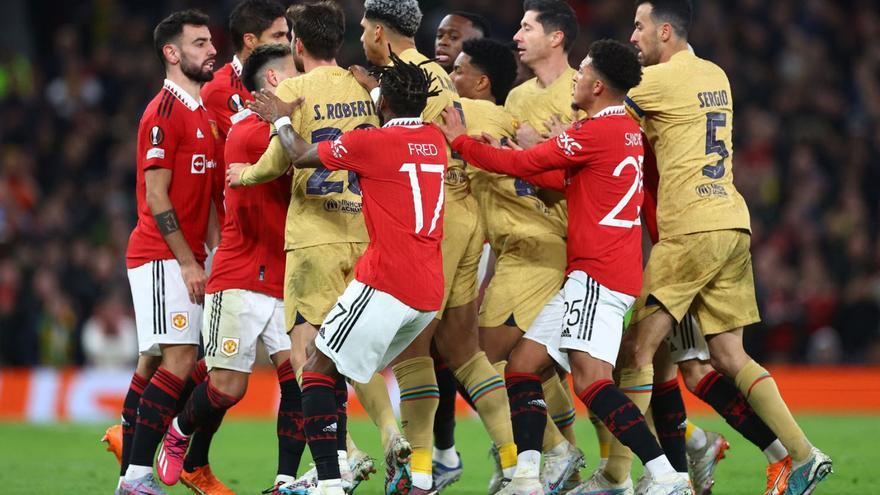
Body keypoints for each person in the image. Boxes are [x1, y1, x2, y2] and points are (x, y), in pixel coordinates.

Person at [439, 38, 693, 495]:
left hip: (599, 276)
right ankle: (528, 478)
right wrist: (534, 152)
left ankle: (665, 474)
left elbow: (523, 162)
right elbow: (557, 175)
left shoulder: (594, 131)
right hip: (600, 273)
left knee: (592, 382)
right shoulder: (625, 129)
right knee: (521, 366)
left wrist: (460, 141)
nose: (575, 77)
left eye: (583, 73)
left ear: (597, 86)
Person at [609, 1, 831, 495]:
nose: (633, 35)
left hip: (687, 232)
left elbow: (603, 115)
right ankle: (803, 453)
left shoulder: (659, 82)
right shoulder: (716, 74)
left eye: (640, 26)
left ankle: (618, 479)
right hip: (731, 223)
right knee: (729, 354)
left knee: (637, 352)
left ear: (664, 31)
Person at [230, 49, 447, 495]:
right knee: (345, 363)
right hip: (429, 292)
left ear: (384, 104)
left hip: (387, 280)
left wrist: (279, 118)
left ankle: (330, 480)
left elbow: (300, 152)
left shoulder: (373, 143)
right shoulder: (435, 139)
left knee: (315, 367)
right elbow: (397, 115)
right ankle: (400, 464)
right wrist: (375, 90)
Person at [356, 1, 517, 492]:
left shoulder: (403, 79)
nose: (361, 38)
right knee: (464, 351)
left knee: (410, 352)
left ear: (379, 33)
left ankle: (419, 473)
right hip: (464, 215)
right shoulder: (438, 76)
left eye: (364, 30)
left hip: (430, 221)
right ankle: (516, 465)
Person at [225, 2, 382, 493]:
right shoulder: (365, 87)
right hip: (362, 231)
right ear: (339, 42)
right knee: (351, 356)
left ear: (297, 44)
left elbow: (277, 162)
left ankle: (330, 474)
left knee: (307, 359)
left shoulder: (292, 89)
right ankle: (380, 441)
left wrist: (243, 176)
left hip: (314, 238)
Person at [153, 43, 302, 494]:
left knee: (298, 382)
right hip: (240, 275)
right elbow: (302, 158)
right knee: (227, 389)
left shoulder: (286, 128)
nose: (308, 80)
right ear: (275, 80)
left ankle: (284, 481)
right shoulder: (250, 132)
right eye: (298, 72)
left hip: (283, 276)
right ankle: (179, 430)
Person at [116, 10, 219, 495]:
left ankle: (128, 465)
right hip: (160, 255)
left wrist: (215, 253)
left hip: (188, 256)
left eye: (210, 42)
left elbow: (209, 197)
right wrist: (187, 260)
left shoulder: (202, 114)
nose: (211, 50)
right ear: (172, 53)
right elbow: (157, 197)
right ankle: (138, 477)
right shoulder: (162, 113)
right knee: (178, 358)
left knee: (161, 360)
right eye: (199, 43)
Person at [498, 1, 585, 490]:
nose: (518, 35)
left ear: (556, 37)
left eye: (527, 27)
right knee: (535, 360)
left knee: (586, 370)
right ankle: (564, 460)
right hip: (531, 245)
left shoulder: (584, 92)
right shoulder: (515, 101)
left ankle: (580, 462)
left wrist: (532, 151)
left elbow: (584, 178)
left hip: (578, 247)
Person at [201, 0, 288, 230]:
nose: (287, 43)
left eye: (287, 35)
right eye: (278, 36)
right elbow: (258, 146)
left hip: (281, 209)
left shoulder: (289, 80)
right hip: (243, 219)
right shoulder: (218, 90)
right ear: (250, 40)